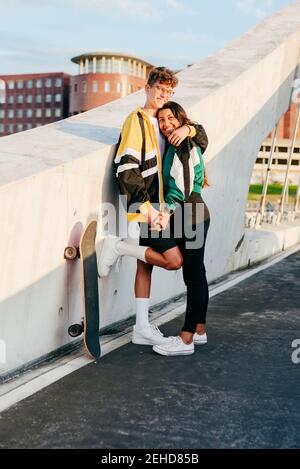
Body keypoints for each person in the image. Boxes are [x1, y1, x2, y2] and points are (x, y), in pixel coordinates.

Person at [98, 67, 205, 347]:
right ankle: (117, 247)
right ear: (147, 88)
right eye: (160, 89)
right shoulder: (136, 120)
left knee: (146, 266)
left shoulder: (163, 120)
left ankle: (141, 327)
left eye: (169, 91)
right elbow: (127, 167)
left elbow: (201, 136)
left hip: (163, 209)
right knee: (174, 261)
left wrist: (188, 127)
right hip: (150, 206)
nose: (163, 95)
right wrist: (146, 208)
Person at [152, 101, 210, 356]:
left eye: (170, 119)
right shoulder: (186, 138)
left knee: (193, 277)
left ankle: (185, 340)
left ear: (180, 119)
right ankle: (199, 331)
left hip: (190, 213)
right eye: (161, 120)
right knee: (197, 274)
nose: (165, 124)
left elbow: (183, 187)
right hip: (193, 211)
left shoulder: (182, 144)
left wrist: (166, 213)